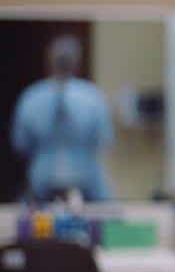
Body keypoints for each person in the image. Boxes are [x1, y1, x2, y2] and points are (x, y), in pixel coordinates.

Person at [10, 34, 114, 203]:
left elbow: (21, 144)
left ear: (48, 61)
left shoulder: (31, 97)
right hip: (52, 185)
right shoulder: (92, 96)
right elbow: (103, 139)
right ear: (77, 62)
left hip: (77, 185)